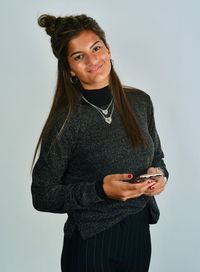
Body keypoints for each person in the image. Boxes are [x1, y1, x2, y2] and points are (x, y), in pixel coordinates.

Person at [31, 13, 168, 272]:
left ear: (107, 48)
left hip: (138, 234)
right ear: (69, 68)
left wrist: (159, 176)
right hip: (89, 243)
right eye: (79, 56)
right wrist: (99, 191)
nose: (93, 60)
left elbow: (157, 158)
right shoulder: (66, 121)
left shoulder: (140, 102)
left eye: (96, 48)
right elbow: (42, 195)